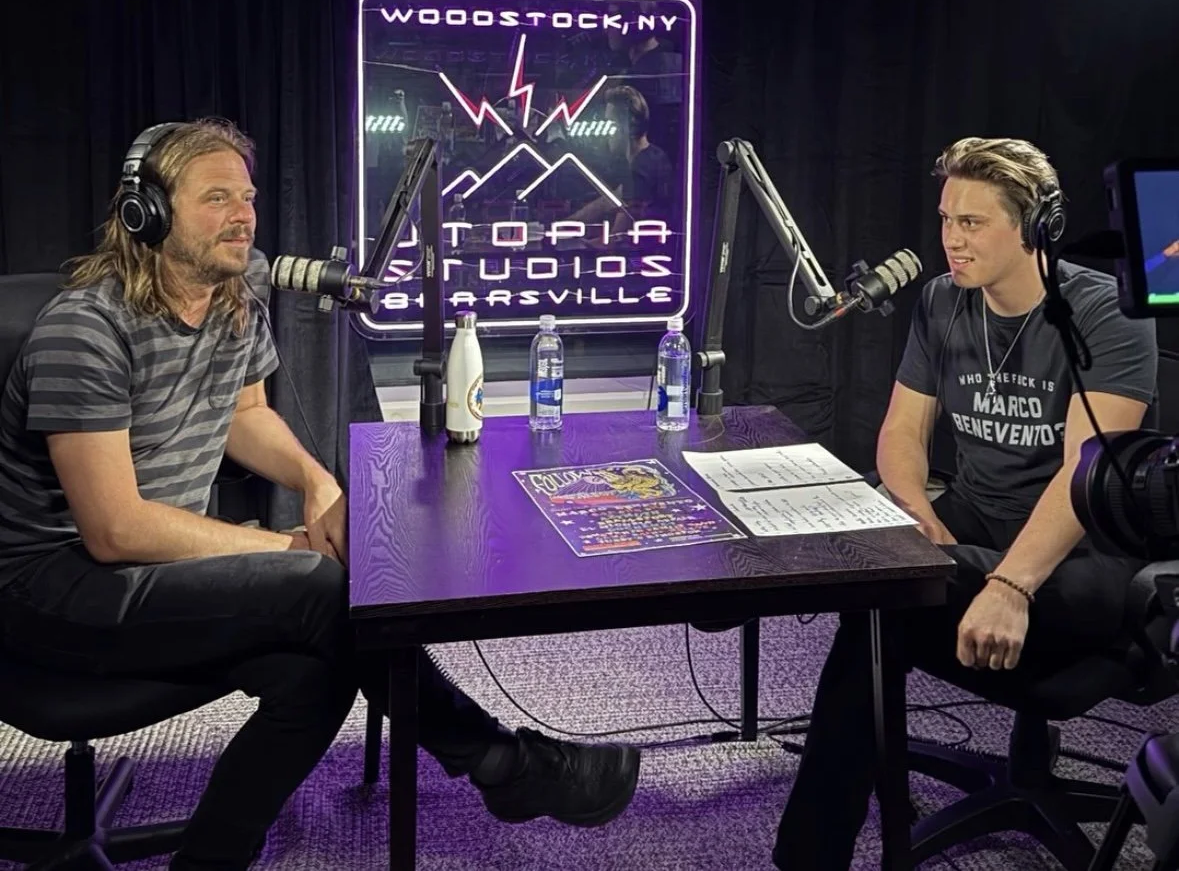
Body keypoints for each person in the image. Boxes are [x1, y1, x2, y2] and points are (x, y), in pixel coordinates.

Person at [0, 119, 640, 871]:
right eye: (216, 198)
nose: (243, 215)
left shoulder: (231, 294)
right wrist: (286, 547)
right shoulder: (85, 329)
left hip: (150, 575)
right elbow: (115, 529)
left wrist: (317, 482)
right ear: (149, 211)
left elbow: (244, 415)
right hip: (51, 588)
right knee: (325, 587)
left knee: (320, 666)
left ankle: (210, 860)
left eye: (248, 196)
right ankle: (502, 764)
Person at [772, 137, 1157, 871]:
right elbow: (901, 432)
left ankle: (809, 855)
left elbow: (1086, 474)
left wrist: (1009, 584)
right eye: (946, 218)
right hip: (972, 524)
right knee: (874, 583)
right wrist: (914, 514)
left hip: (1086, 556)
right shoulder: (944, 302)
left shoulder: (1105, 315)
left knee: (878, 609)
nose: (950, 238)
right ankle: (824, 841)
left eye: (972, 222)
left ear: (1033, 226)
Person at [573, 85, 674, 238]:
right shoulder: (652, 156)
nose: (607, 133)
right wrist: (567, 223)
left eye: (610, 123)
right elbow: (610, 200)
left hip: (645, 255)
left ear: (628, 126)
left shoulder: (641, 170)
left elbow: (615, 239)